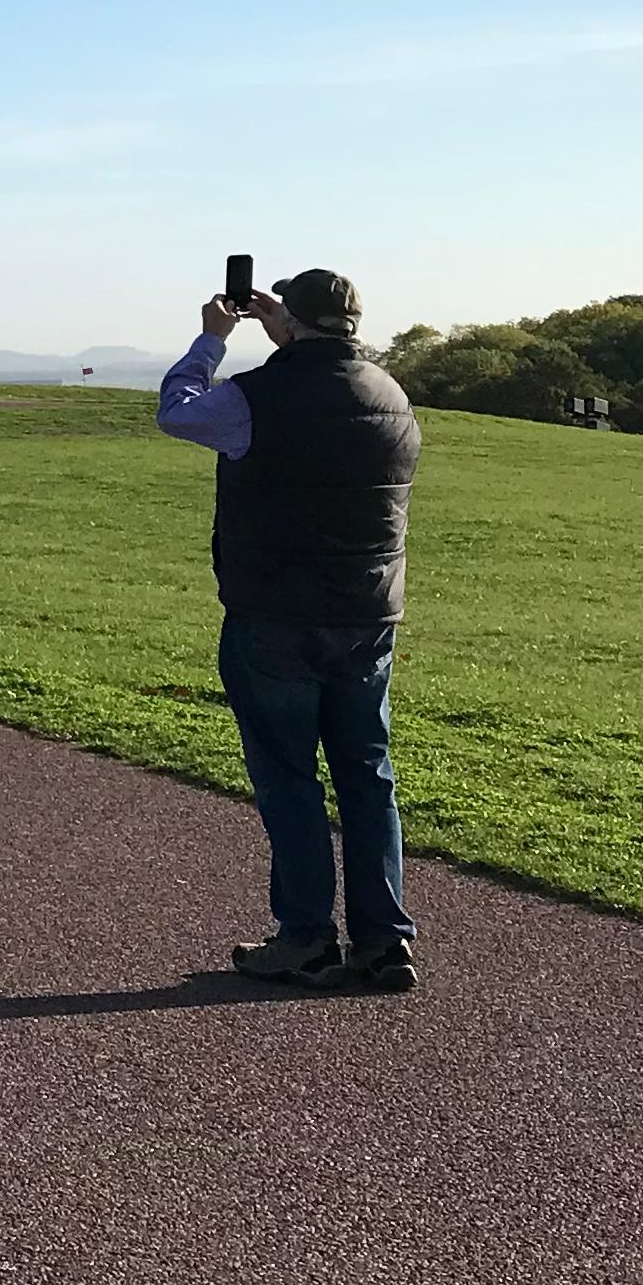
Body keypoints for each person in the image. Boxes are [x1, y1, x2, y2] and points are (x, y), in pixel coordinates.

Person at [157, 266, 423, 992]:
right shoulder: (391, 396)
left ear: (292, 319)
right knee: (368, 777)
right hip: (367, 614)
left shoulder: (258, 396)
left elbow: (179, 411)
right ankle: (384, 939)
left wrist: (212, 340)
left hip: (274, 612)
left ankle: (306, 937)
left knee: (290, 779)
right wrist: (292, 340)